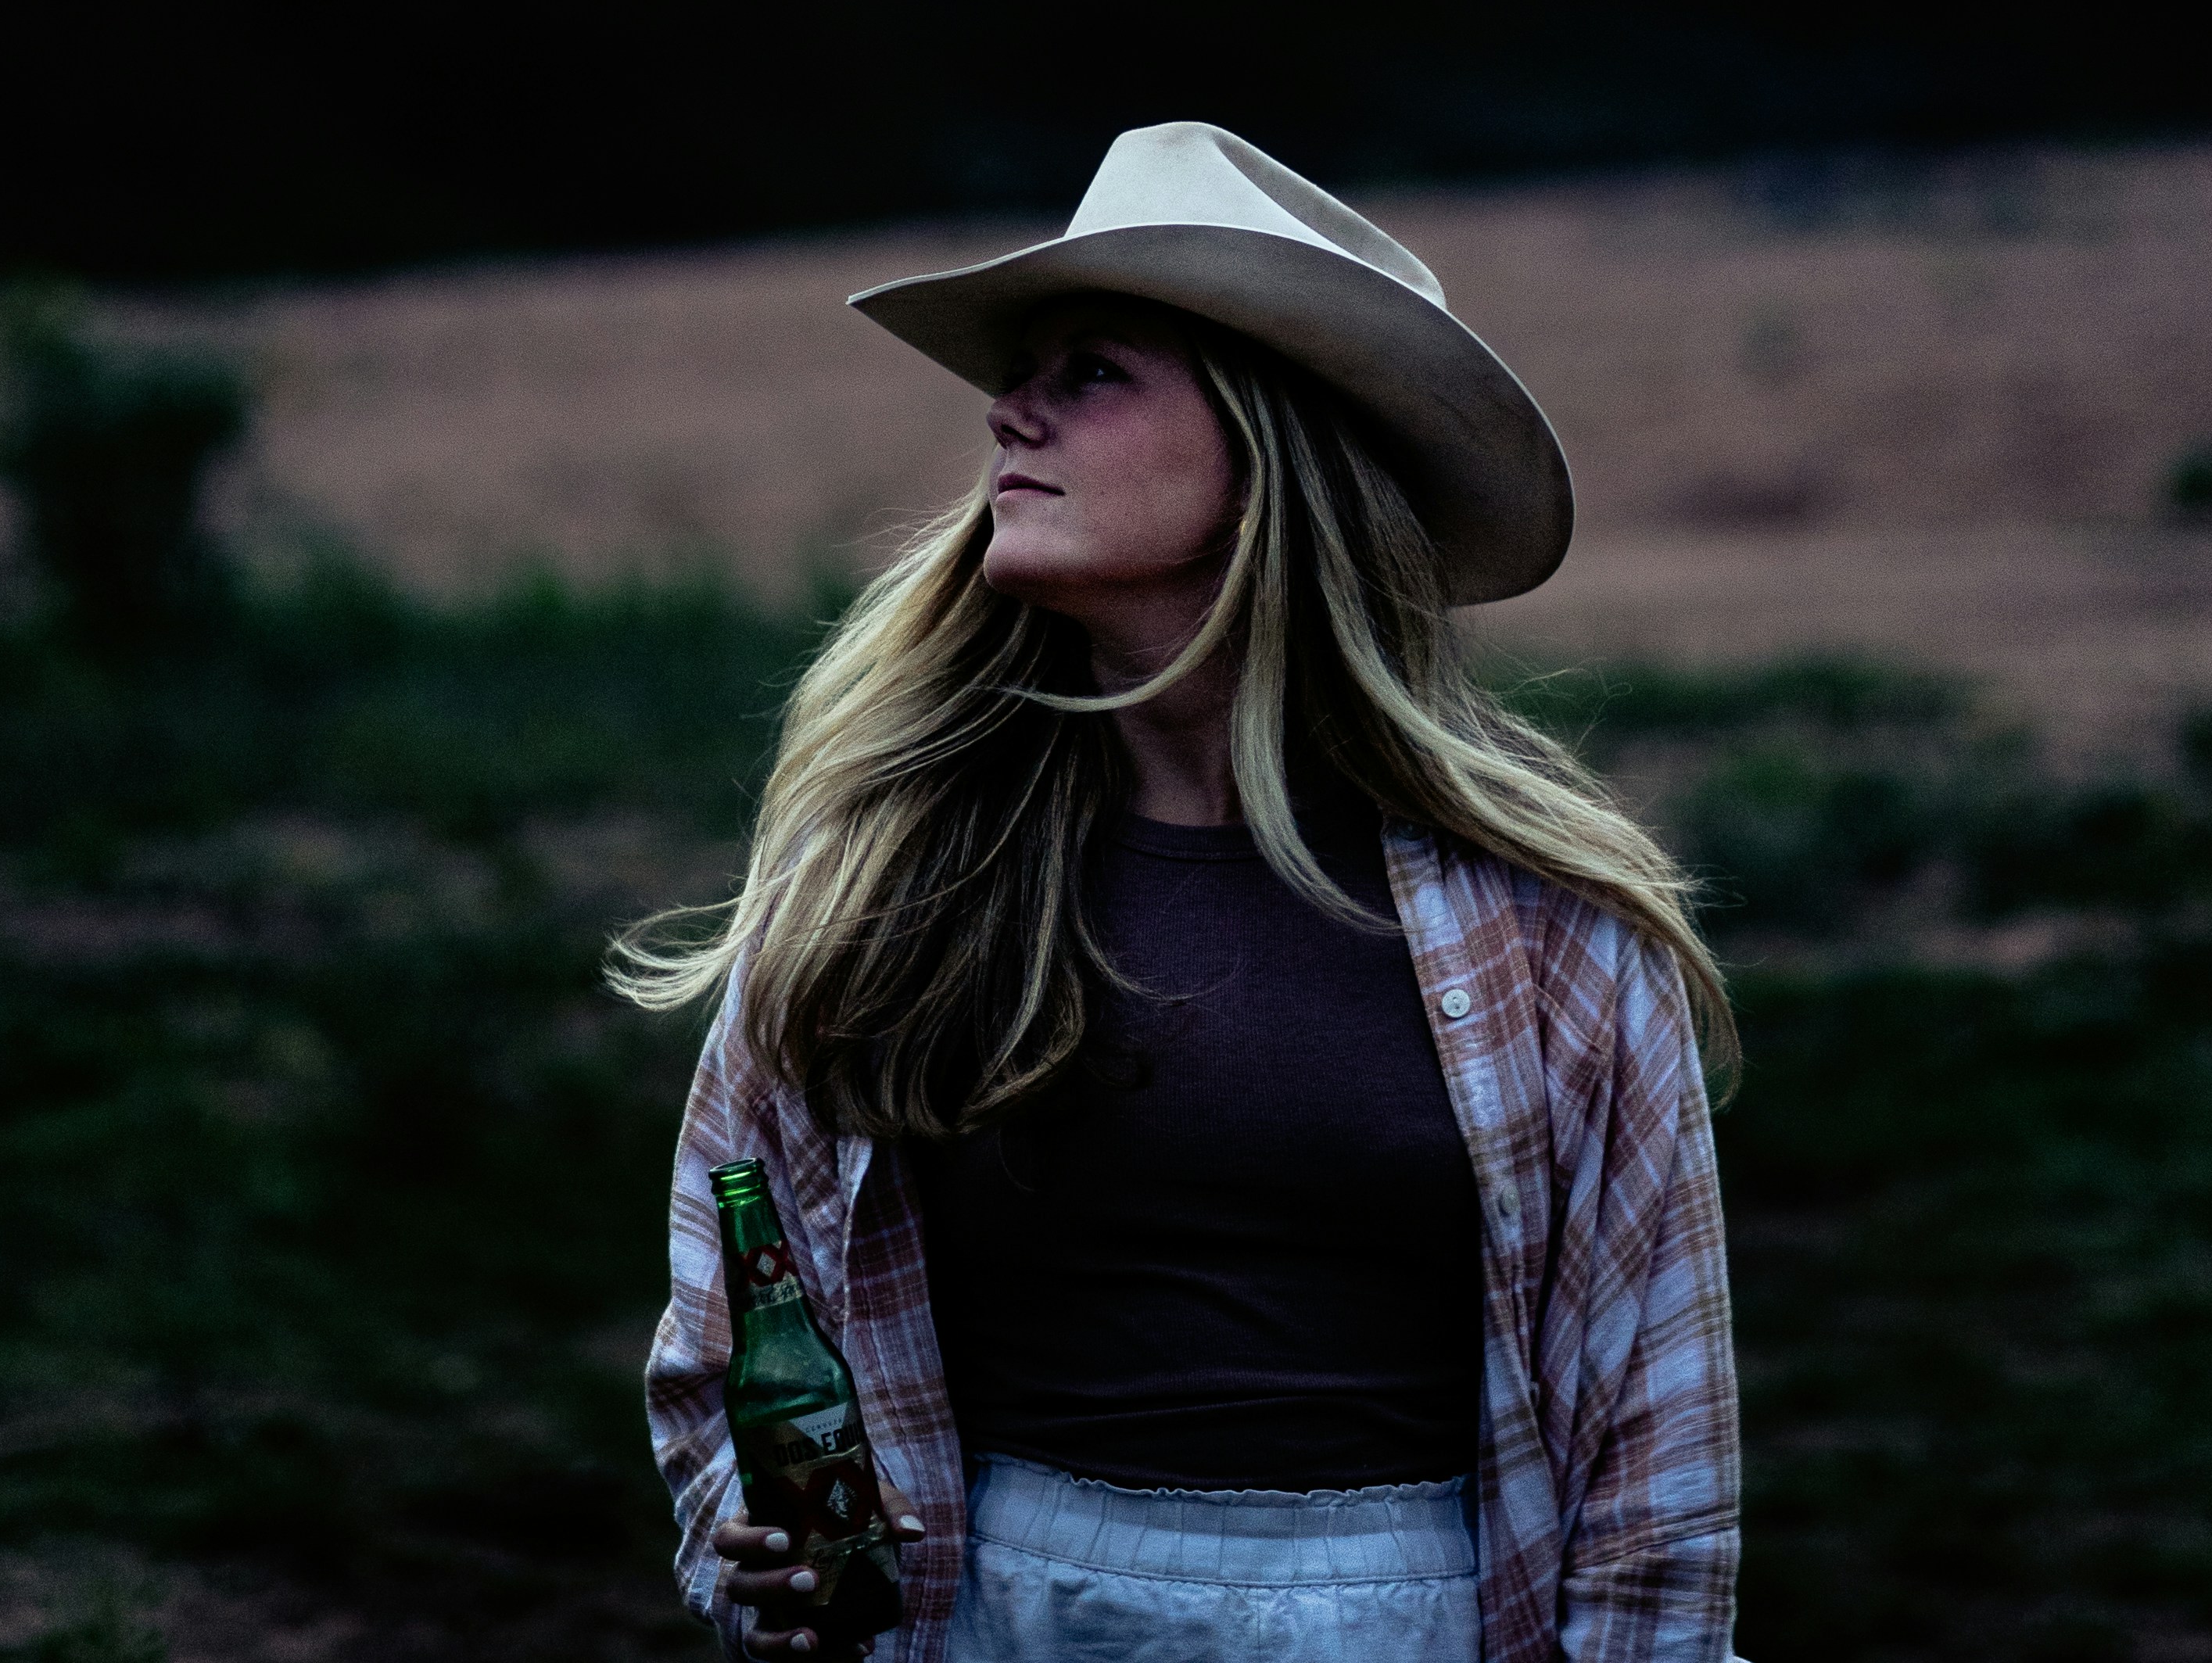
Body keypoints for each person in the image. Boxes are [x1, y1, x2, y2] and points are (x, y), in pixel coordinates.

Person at [618, 121, 1740, 1663]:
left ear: (1270, 454)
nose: (1008, 410)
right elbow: (728, 1308)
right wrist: (753, 1544)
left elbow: (1653, 1464)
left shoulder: (1547, 927)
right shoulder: (887, 876)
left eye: (1092, 372)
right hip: (992, 1618)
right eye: (1026, 374)